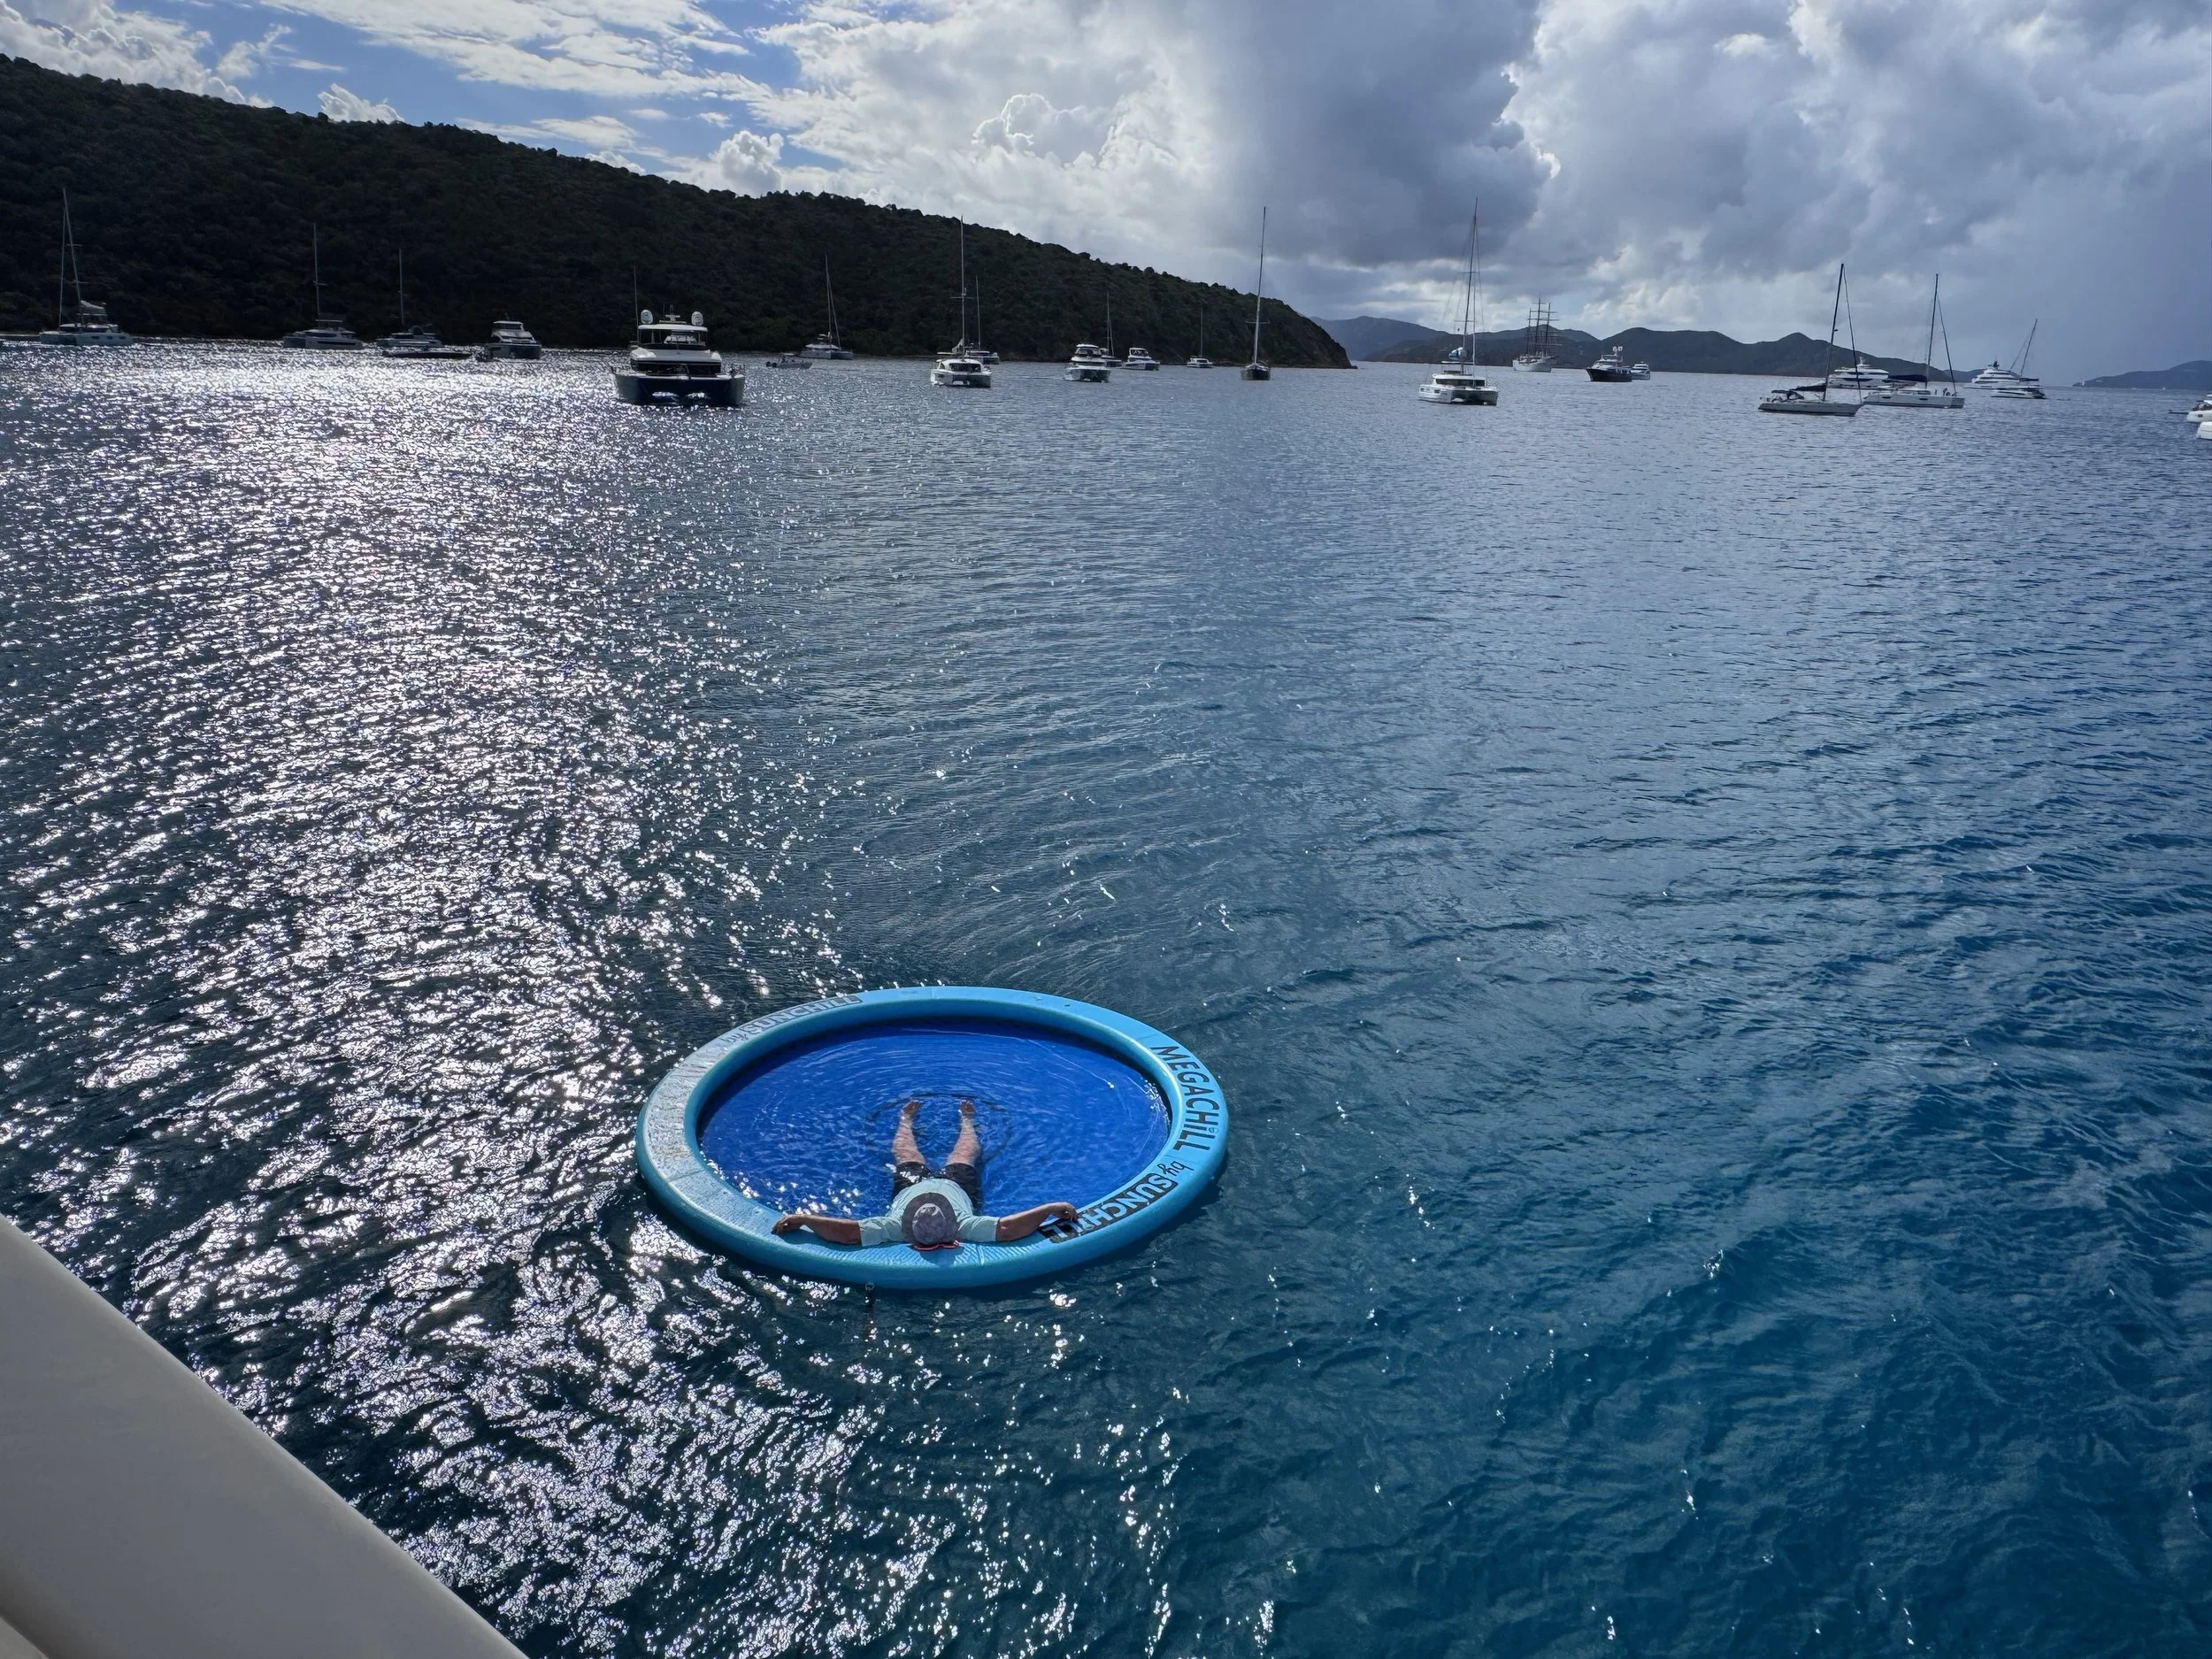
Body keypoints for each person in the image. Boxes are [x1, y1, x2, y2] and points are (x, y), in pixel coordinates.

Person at [773, 1098, 1078, 1252]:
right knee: (963, 1155)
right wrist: (1050, 1208)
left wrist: (805, 1219)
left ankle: (911, 1121)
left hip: (910, 1187)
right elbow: (1009, 1229)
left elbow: (848, 1233)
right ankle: (964, 1122)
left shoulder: (895, 1228)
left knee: (906, 1156)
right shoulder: (964, 1226)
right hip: (958, 1187)